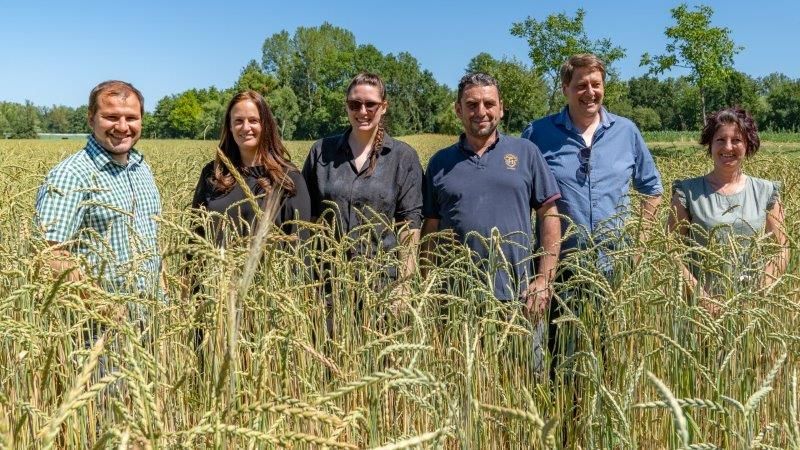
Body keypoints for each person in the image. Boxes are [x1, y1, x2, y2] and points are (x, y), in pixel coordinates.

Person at [422, 72, 562, 315]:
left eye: (489, 103)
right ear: (458, 110)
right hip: (456, 301)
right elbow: (430, 231)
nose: (481, 112)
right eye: (472, 105)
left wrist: (543, 280)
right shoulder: (440, 163)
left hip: (519, 296)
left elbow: (549, 215)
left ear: (501, 108)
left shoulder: (526, 152)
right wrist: (427, 288)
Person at [522, 53, 664, 262]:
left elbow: (652, 189)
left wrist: (638, 249)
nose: (590, 92)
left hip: (616, 264)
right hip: (558, 266)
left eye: (596, 84)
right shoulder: (537, 133)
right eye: (581, 85)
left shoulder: (626, 131)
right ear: (565, 89)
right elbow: (520, 197)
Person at [35, 80, 162, 299]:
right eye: (111, 117)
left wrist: (164, 296)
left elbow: (153, 242)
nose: (122, 127)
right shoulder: (71, 174)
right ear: (91, 118)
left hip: (152, 312)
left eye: (131, 118)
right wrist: (103, 308)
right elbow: (48, 254)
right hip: (99, 318)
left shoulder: (142, 169)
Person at [302, 72, 423, 284]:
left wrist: (403, 286)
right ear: (346, 106)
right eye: (355, 104)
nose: (363, 111)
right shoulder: (321, 152)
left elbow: (409, 225)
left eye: (371, 104)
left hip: (382, 283)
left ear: (384, 107)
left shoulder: (403, 157)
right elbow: (308, 219)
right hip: (328, 281)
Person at [668, 107, 788, 310]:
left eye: (737, 140)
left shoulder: (766, 191)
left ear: (748, 144)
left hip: (752, 309)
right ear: (710, 144)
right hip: (698, 310)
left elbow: (782, 248)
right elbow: (670, 250)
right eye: (720, 140)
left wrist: (757, 293)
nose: (728, 147)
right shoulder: (687, 192)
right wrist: (701, 297)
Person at [191, 90, 311, 243]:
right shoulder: (213, 173)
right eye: (238, 121)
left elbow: (300, 244)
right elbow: (195, 236)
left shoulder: (288, 178)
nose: (246, 127)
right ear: (230, 127)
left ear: (265, 125)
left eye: (253, 120)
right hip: (215, 260)